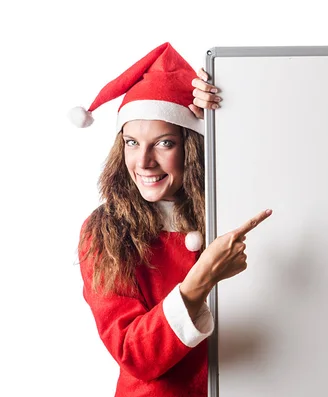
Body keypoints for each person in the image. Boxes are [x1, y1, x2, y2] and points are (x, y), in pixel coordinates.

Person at [70, 42, 272, 397]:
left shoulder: (229, 209)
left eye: (164, 143)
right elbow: (134, 354)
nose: (144, 161)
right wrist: (198, 283)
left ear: (190, 147)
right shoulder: (103, 232)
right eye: (132, 142)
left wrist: (236, 107)